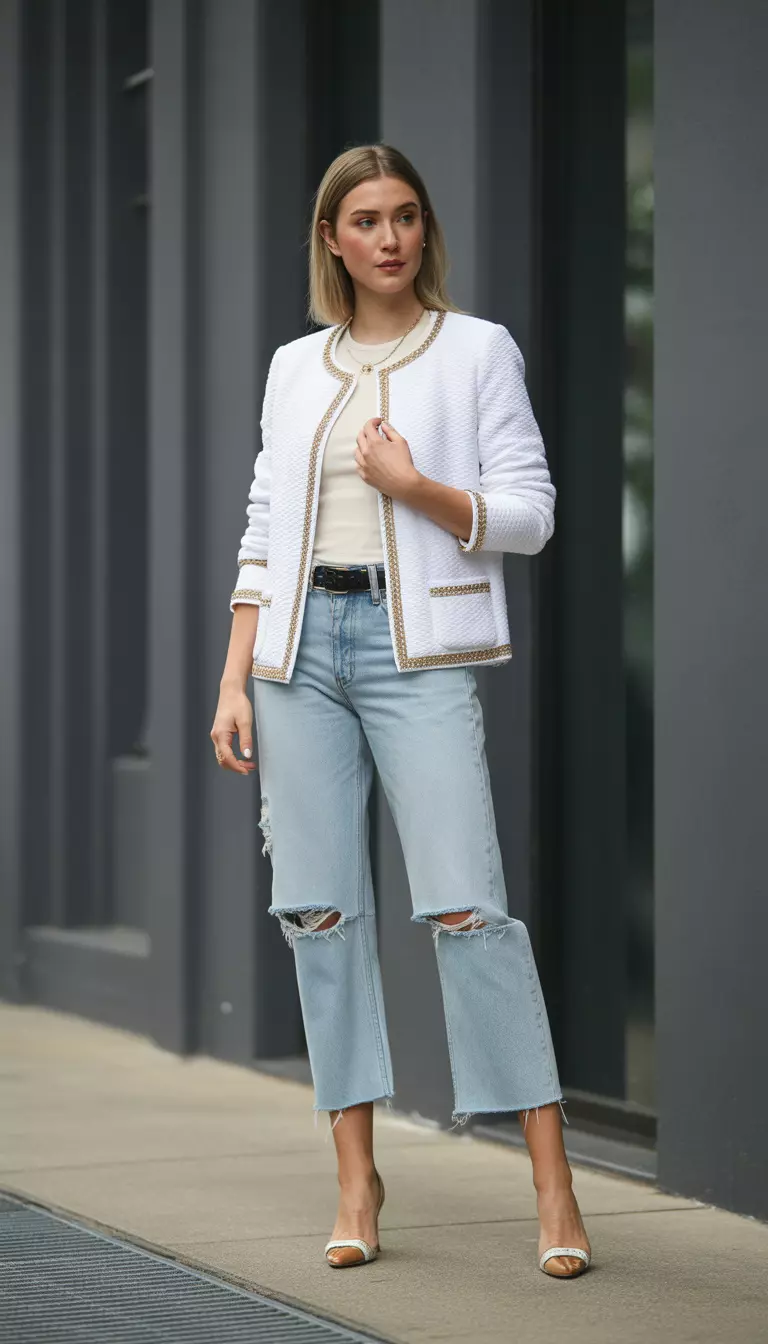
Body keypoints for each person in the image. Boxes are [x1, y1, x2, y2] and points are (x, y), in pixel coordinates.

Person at [211, 143, 592, 1279]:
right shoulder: (294, 367)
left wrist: (415, 487)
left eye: (407, 216)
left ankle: (555, 1188)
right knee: (319, 913)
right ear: (331, 240)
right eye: (367, 220)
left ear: (426, 231)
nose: (389, 238)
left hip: (413, 648)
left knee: (470, 908)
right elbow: (263, 527)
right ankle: (356, 1182)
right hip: (296, 659)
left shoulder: (476, 350)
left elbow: (532, 513)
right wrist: (234, 677)